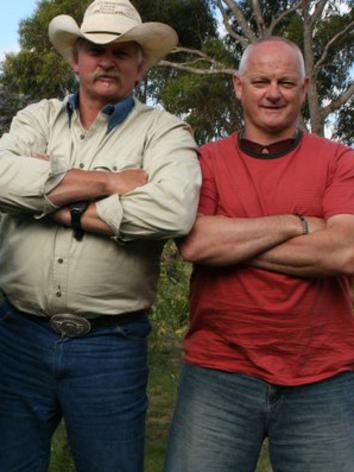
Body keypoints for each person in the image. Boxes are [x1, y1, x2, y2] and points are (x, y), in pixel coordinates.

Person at [0, 1, 201, 471]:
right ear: (76, 59)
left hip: (110, 347)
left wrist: (53, 203)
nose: (107, 59)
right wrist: (111, 182)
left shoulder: (163, 132)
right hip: (19, 338)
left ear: (139, 64)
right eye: (94, 48)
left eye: (122, 50)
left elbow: (173, 210)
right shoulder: (36, 118)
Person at [164, 36, 354, 472]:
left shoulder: (340, 161)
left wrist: (229, 242)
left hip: (323, 376)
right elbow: (194, 243)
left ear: (305, 88)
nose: (273, 92)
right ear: (238, 86)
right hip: (218, 373)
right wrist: (296, 223)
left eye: (286, 82)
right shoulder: (204, 161)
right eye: (261, 81)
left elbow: (344, 252)